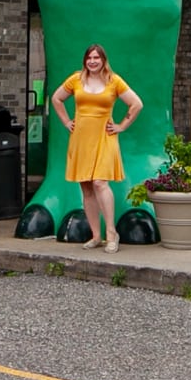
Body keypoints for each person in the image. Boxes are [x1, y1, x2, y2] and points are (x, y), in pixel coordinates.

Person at [51, 44, 142, 252]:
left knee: (100, 182)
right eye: (89, 58)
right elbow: (56, 98)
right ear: (85, 60)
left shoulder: (113, 80)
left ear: (103, 60)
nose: (92, 61)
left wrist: (121, 125)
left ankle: (112, 234)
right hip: (81, 137)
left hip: (104, 136)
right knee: (86, 186)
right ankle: (96, 235)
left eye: (96, 58)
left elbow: (136, 104)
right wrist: (66, 122)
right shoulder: (76, 79)